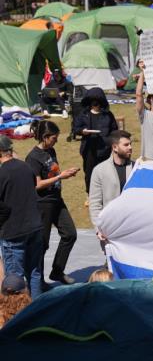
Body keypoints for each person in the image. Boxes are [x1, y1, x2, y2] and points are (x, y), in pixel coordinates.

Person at [26, 120, 79, 286]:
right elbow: (37, 185)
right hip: (43, 204)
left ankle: (57, 271)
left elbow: (53, 173)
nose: (56, 140)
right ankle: (38, 282)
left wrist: (64, 174)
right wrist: (60, 177)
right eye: (54, 138)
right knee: (42, 244)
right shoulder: (33, 157)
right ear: (45, 137)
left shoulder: (51, 151)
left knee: (70, 233)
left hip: (57, 200)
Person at [0, 135, 44, 299]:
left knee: (14, 280)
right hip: (34, 227)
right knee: (34, 272)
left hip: (13, 232)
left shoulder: (2, 172)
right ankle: (36, 311)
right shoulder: (25, 166)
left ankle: (16, 316)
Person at [88, 130, 134, 243]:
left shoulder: (136, 168)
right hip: (110, 228)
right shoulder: (99, 170)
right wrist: (98, 228)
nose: (130, 147)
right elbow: (95, 203)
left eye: (130, 144)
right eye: (126, 145)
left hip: (132, 227)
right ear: (115, 147)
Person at [73, 88, 118, 197]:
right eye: (92, 100)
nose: (95, 103)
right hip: (89, 150)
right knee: (89, 173)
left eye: (97, 100)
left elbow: (114, 130)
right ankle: (90, 195)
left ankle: (106, 194)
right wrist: (82, 131)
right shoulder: (83, 114)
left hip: (105, 149)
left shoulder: (108, 115)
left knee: (106, 172)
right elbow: (76, 128)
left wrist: (113, 143)